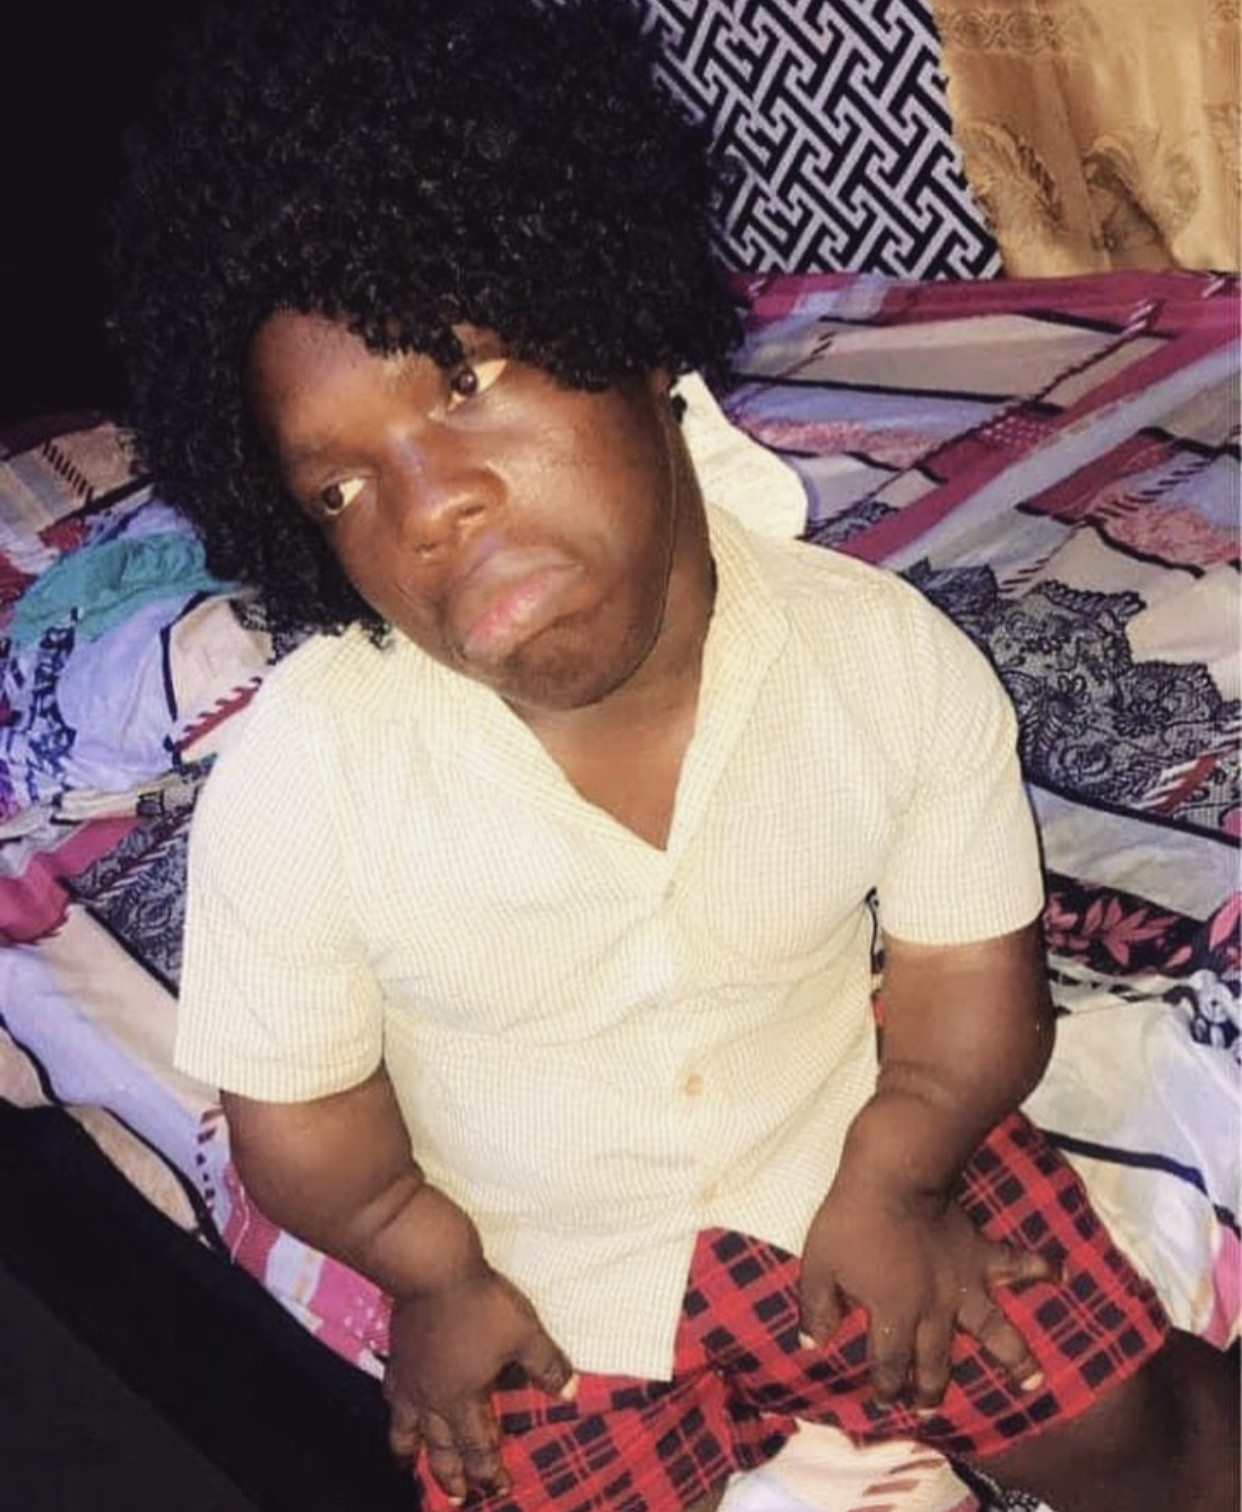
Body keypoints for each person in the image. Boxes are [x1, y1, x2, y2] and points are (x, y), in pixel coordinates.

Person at [111, 2, 1239, 1509]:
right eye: (340, 490)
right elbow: (300, 1125)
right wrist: (428, 1273)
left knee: (1148, 1438)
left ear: (629, 332)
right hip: (537, 1287)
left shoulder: (884, 660)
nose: (427, 505)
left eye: (464, 379)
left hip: (854, 1168)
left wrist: (902, 1168)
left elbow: (971, 975)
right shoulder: (306, 781)